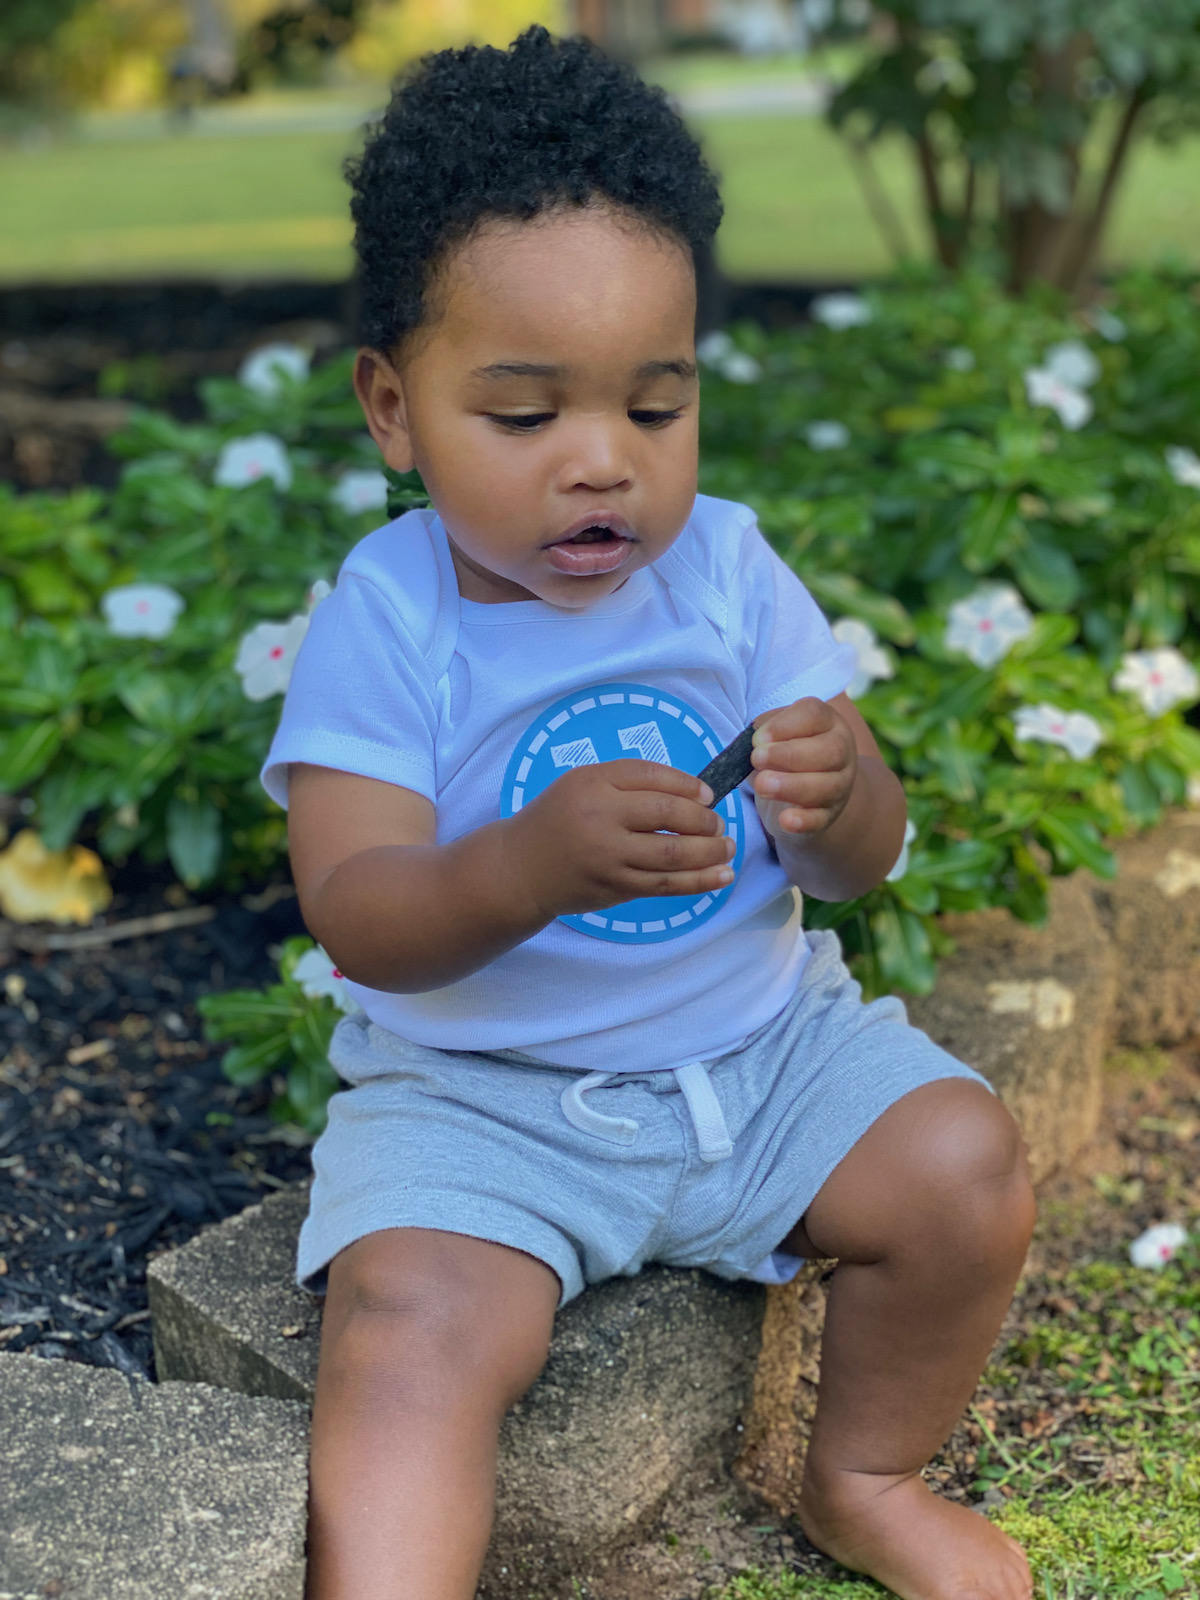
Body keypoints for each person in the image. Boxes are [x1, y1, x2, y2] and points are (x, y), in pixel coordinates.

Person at [265, 26, 1036, 1600]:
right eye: (524, 416)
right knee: (407, 1328)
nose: (601, 465)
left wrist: (842, 796)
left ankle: (863, 1476)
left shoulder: (730, 572)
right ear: (393, 409)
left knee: (963, 1166)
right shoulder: (390, 618)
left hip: (764, 1058)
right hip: (486, 1103)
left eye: (655, 409)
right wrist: (525, 866)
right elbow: (358, 914)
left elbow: (862, 863)